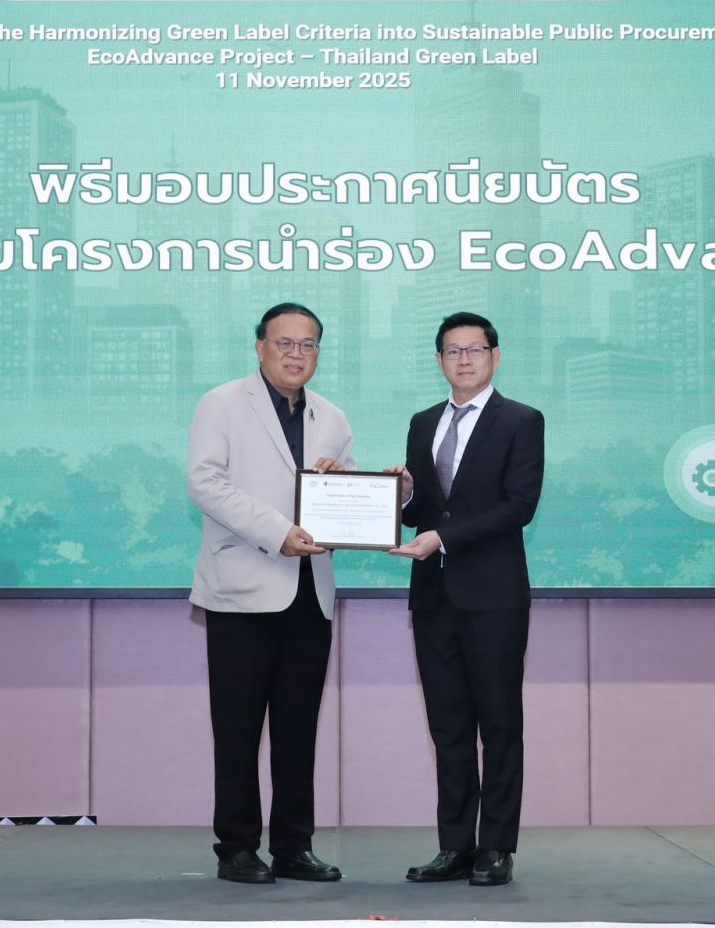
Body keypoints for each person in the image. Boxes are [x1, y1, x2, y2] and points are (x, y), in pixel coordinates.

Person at [187, 303, 353, 885]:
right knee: (237, 729)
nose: (295, 354)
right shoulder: (221, 403)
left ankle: (293, 847)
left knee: (297, 730)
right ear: (259, 347)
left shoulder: (332, 416)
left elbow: (346, 502)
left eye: (308, 344)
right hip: (242, 592)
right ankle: (236, 848)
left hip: (310, 595)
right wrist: (276, 531)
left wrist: (346, 487)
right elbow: (205, 482)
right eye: (284, 342)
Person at [386, 311, 545, 887]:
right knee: (448, 727)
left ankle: (496, 847)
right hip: (434, 597)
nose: (464, 360)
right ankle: (454, 846)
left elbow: (519, 505)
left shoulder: (522, 420)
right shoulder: (422, 422)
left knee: (499, 724)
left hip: (495, 597)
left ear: (495, 357)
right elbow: (422, 511)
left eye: (475, 349)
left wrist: (443, 536)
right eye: (453, 351)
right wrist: (403, 497)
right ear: (439, 361)